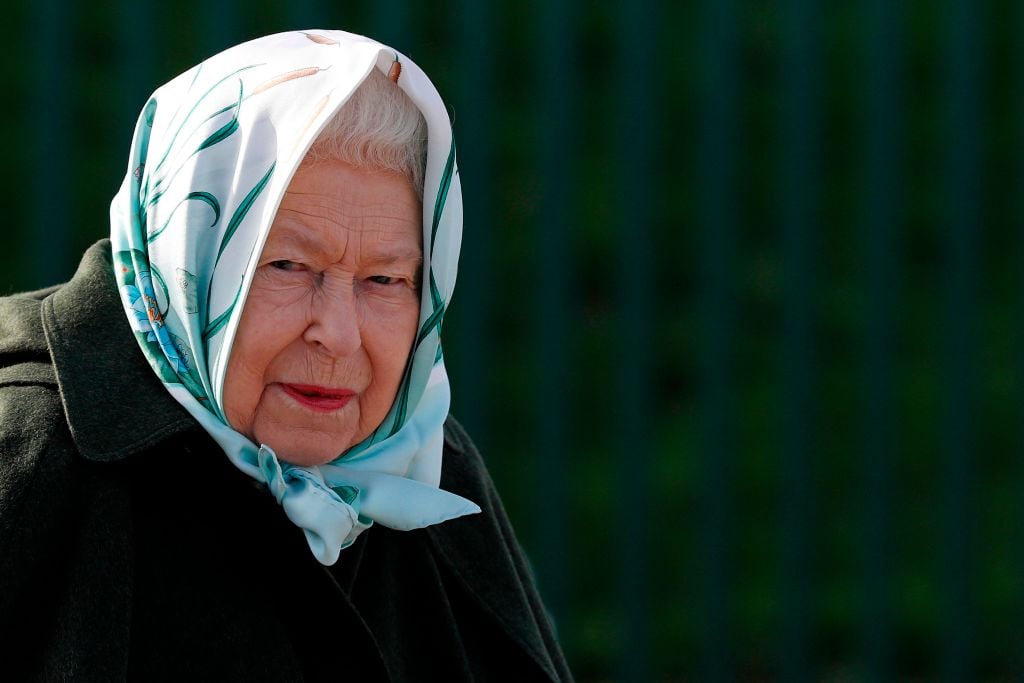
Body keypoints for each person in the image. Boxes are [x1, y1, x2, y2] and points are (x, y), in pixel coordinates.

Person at [0, 30, 571, 681]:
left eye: (384, 279)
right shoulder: (32, 457)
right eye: (288, 266)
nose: (340, 334)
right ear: (188, 257)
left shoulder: (430, 467)